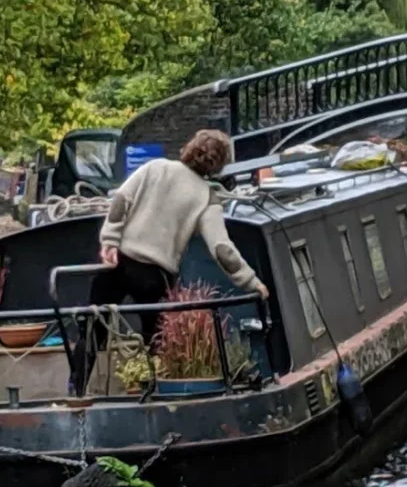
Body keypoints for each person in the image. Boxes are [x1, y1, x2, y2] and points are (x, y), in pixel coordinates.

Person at [72, 129, 270, 391]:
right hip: (154, 276)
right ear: (219, 165)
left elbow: (120, 200)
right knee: (156, 341)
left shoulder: (154, 167)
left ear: (188, 148)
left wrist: (109, 241)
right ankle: (150, 393)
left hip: (117, 263)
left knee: (93, 328)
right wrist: (252, 283)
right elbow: (223, 249)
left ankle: (75, 390)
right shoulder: (206, 197)